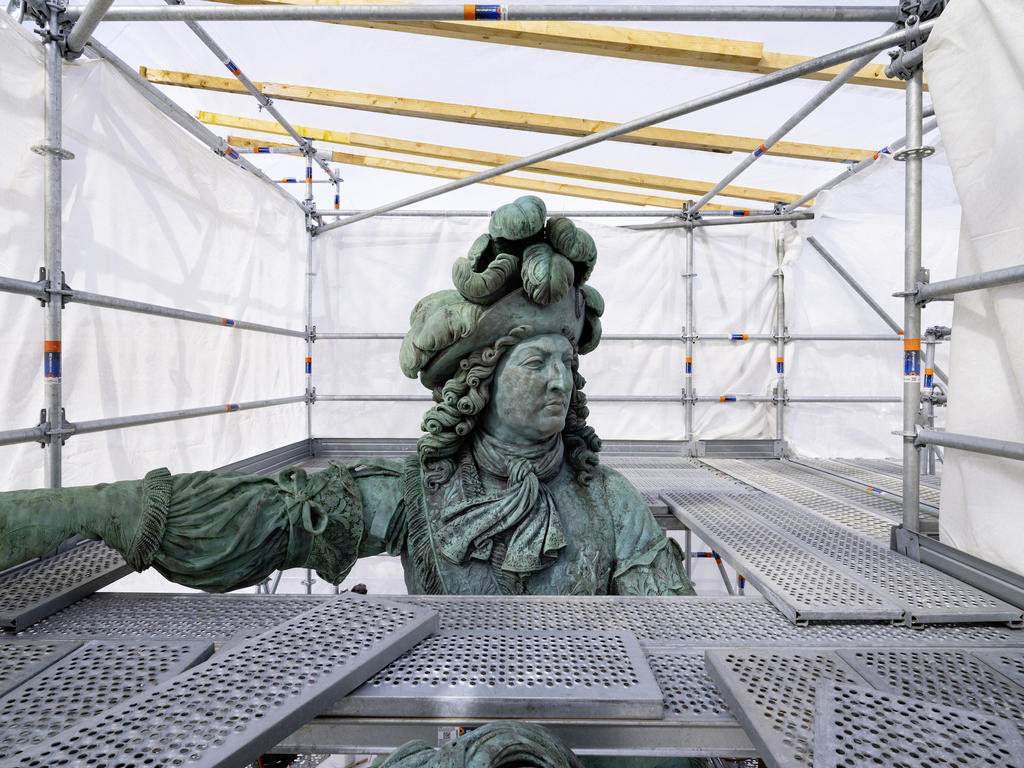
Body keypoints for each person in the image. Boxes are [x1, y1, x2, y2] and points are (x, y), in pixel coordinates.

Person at [0, 195, 693, 599]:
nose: (559, 380)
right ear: (479, 380)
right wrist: (97, 509)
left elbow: (675, 646)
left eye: (565, 362)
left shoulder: (610, 502)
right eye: (536, 360)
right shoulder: (421, 492)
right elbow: (272, 519)